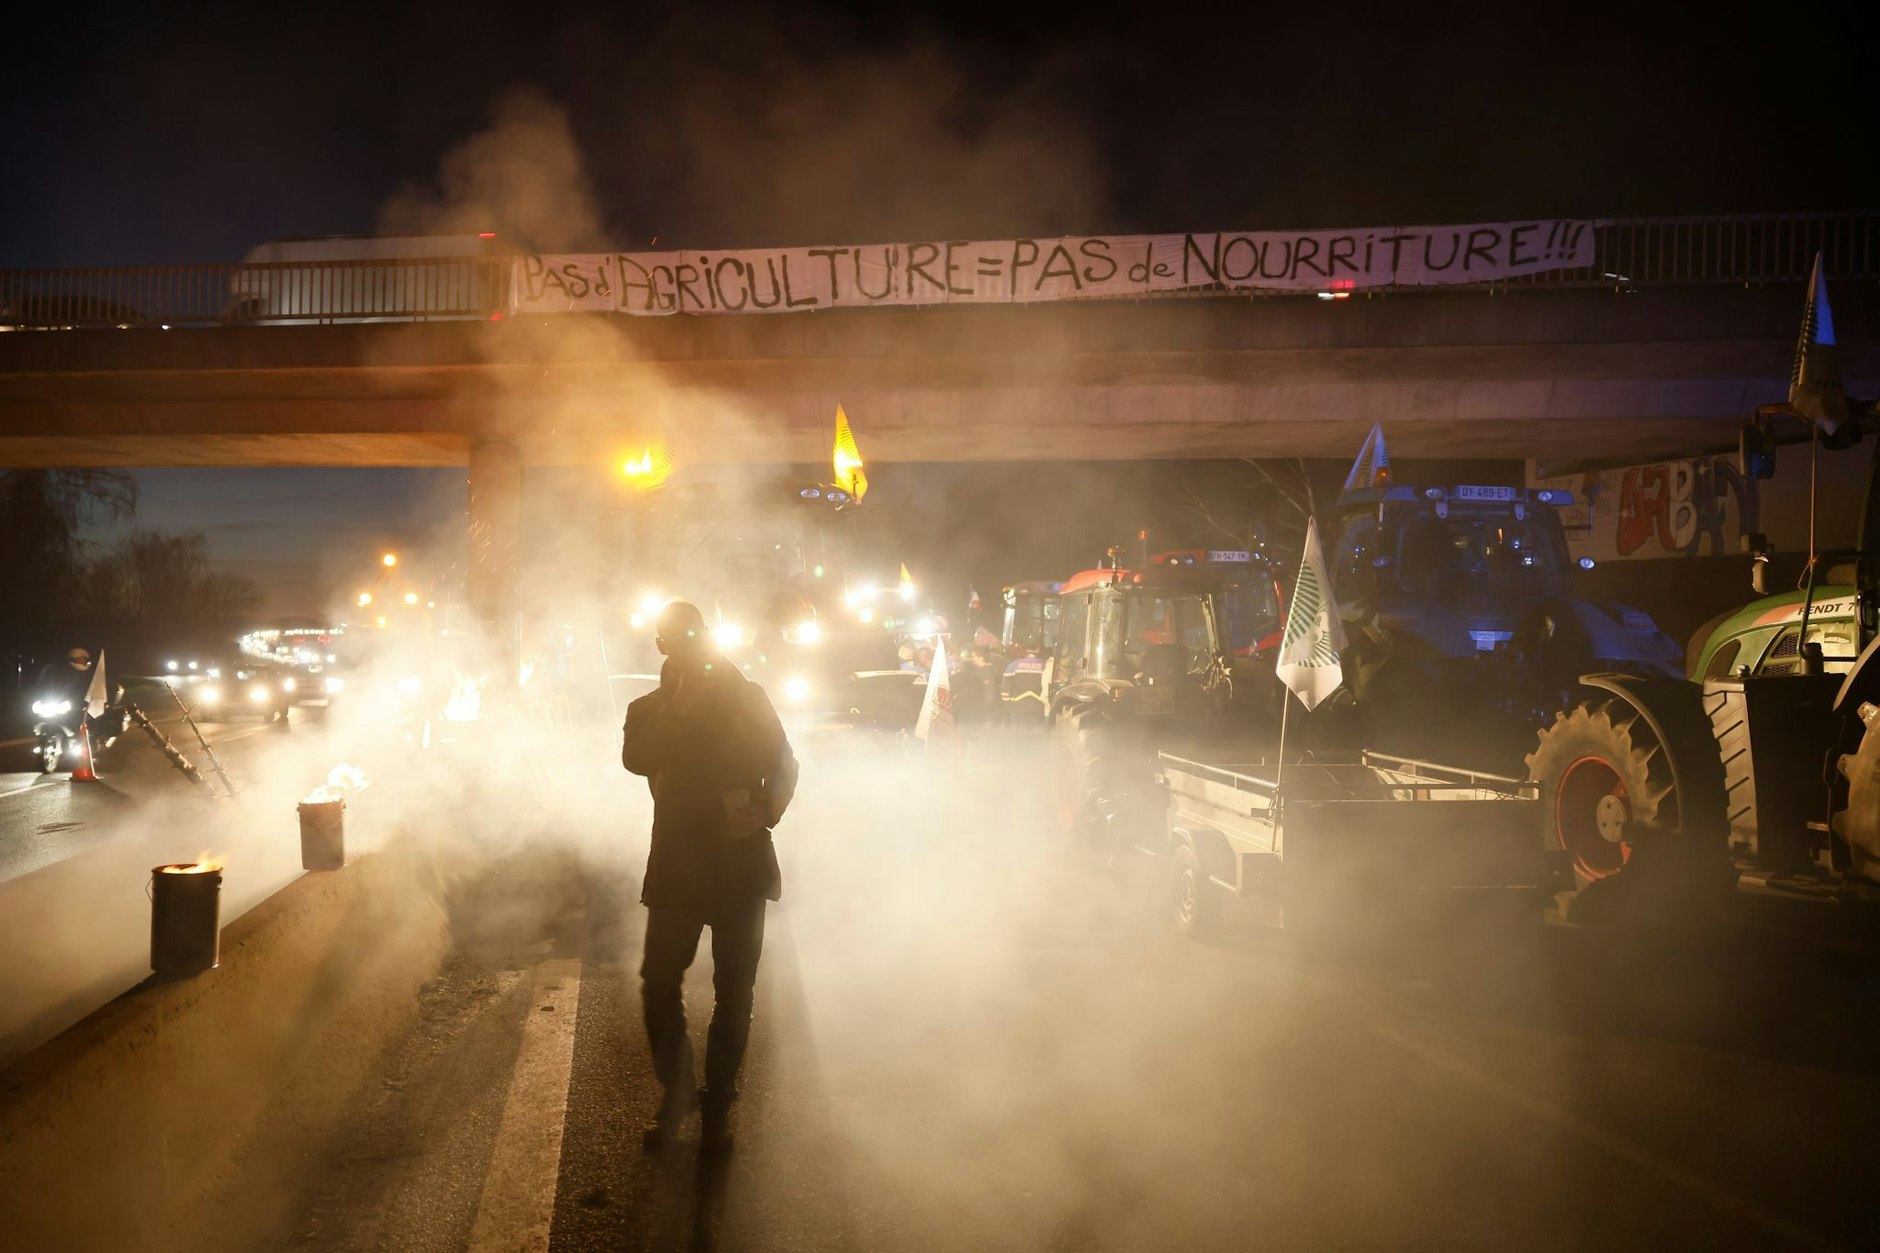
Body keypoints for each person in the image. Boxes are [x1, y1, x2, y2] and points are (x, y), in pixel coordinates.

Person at [622, 600, 798, 1152]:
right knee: (658, 984)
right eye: (676, 638)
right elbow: (636, 759)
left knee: (735, 991)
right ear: (661, 646)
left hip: (740, 868)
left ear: (707, 635)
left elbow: (785, 764)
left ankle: (718, 1102)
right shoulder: (649, 708)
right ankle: (678, 1094)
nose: (688, 645)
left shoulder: (748, 698)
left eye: (694, 634)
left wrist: (766, 808)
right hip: (677, 869)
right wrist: (678, 708)